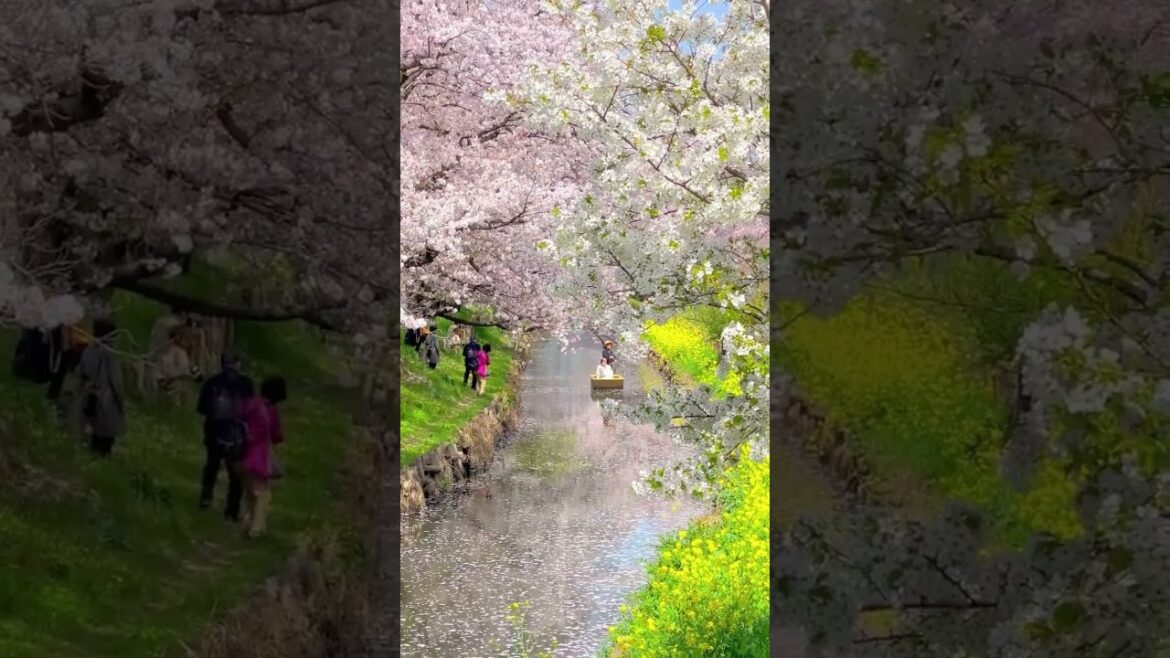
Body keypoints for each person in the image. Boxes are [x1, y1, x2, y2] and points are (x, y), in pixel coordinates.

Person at [196, 350, 251, 520]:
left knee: (212, 465)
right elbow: (250, 409)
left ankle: (206, 496)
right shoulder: (246, 383)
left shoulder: (212, 382)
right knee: (235, 473)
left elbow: (202, 409)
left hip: (214, 431)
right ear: (238, 364)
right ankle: (232, 510)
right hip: (237, 434)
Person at [236, 377, 284, 538]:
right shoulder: (270, 410)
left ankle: (247, 523)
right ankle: (256, 529)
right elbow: (277, 436)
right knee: (262, 496)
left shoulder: (249, 403)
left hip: (239, 456)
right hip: (258, 458)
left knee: (249, 494)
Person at [77, 319, 126, 457]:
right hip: (106, 399)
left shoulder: (88, 349)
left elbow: (80, 373)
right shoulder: (109, 354)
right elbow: (116, 381)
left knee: (92, 434)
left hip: (89, 395)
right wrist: (121, 401)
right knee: (106, 439)